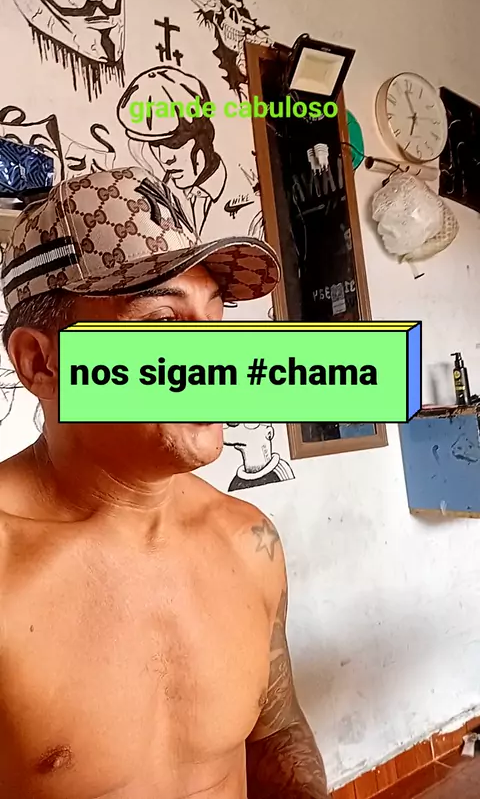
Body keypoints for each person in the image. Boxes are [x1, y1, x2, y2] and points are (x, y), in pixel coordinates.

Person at [0, 166, 328, 799]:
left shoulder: (249, 541)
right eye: (163, 322)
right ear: (41, 362)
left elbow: (276, 729)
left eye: (215, 317)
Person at [118, 66, 227, 245]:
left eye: (174, 144)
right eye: (155, 145)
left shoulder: (251, 194)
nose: (165, 158)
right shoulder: (157, 198)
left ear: (204, 135)